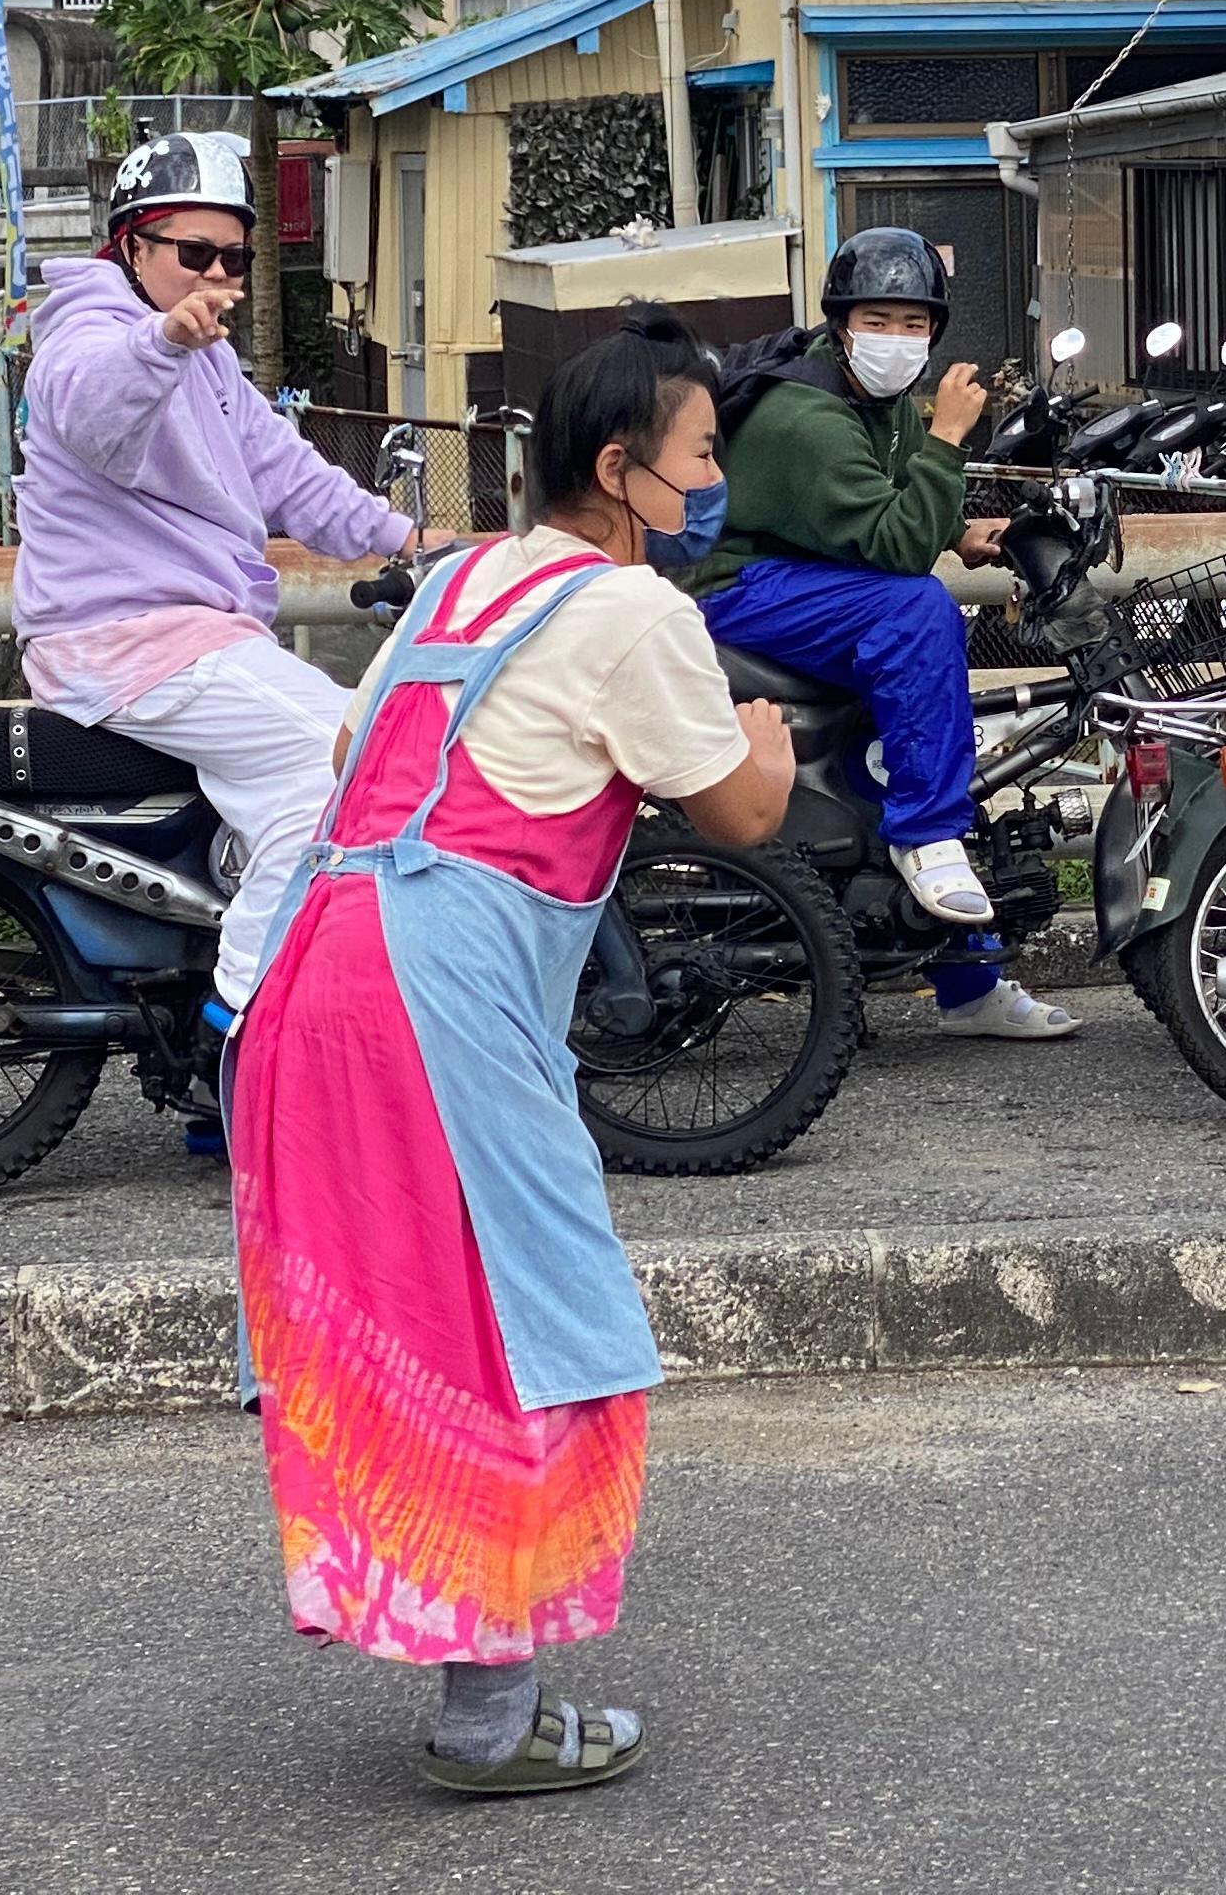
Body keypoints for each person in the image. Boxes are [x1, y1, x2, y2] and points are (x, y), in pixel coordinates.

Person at [228, 308, 795, 1796]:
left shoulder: (466, 576)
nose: (710, 483)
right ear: (622, 470)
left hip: (315, 976)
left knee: (424, 1318)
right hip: (443, 991)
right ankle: (490, 1722)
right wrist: (774, 758)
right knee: (532, 1322)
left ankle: (483, 1688)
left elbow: (356, 760)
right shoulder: (636, 611)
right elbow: (732, 816)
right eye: (699, 458)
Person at [12, 131, 456, 1016]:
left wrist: (410, 538)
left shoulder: (209, 360)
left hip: (192, 640)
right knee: (354, 758)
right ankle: (246, 1021)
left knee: (324, 764)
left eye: (232, 256)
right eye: (193, 254)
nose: (216, 275)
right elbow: (97, 412)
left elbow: (288, 476)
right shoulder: (87, 335)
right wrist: (163, 342)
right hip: (129, 642)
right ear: (131, 247)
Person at [687, 227, 1075, 1041]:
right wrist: (948, 441)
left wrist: (958, 531)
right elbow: (895, 544)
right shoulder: (807, 417)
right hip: (740, 589)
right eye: (877, 319)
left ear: (933, 329)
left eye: (912, 322)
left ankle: (969, 984)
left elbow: (883, 505)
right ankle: (931, 839)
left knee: (898, 748)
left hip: (810, 584)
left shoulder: (874, 399)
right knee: (918, 609)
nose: (895, 339)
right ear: (840, 322)